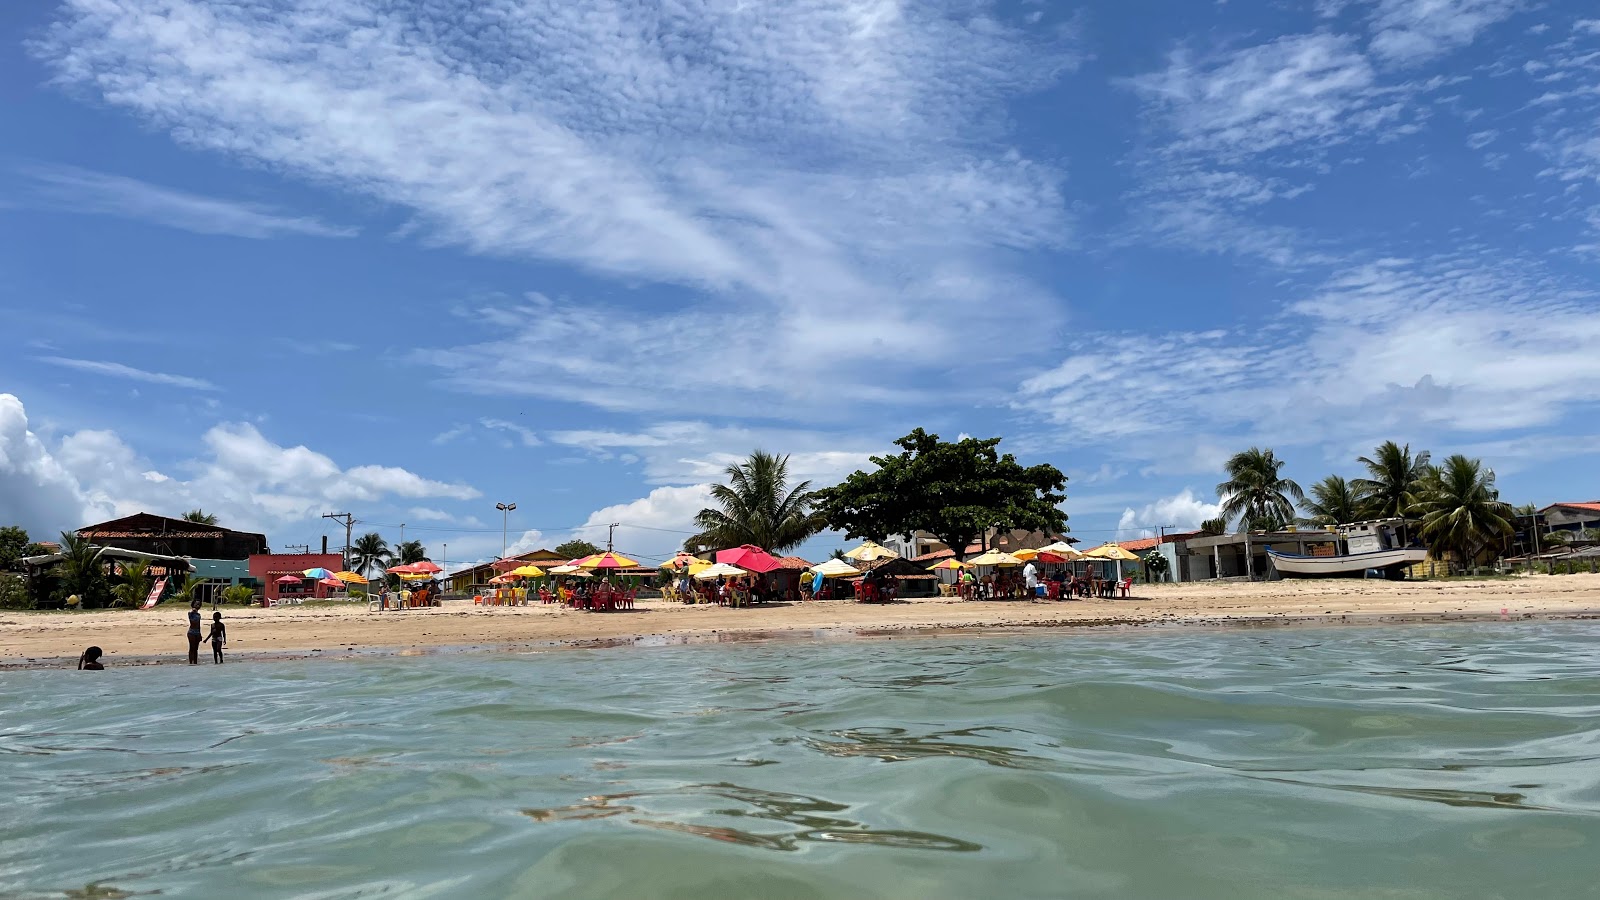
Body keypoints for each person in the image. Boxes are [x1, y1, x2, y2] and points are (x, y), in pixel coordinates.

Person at [186, 600, 203, 665]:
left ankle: (195, 662)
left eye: (199, 604)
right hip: (191, 632)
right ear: (193, 605)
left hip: (197, 632)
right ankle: (191, 662)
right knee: (191, 647)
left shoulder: (199, 615)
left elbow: (198, 625)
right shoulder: (190, 613)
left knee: (196, 649)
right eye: (196, 604)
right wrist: (193, 612)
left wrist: (200, 634)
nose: (198, 606)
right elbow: (192, 621)